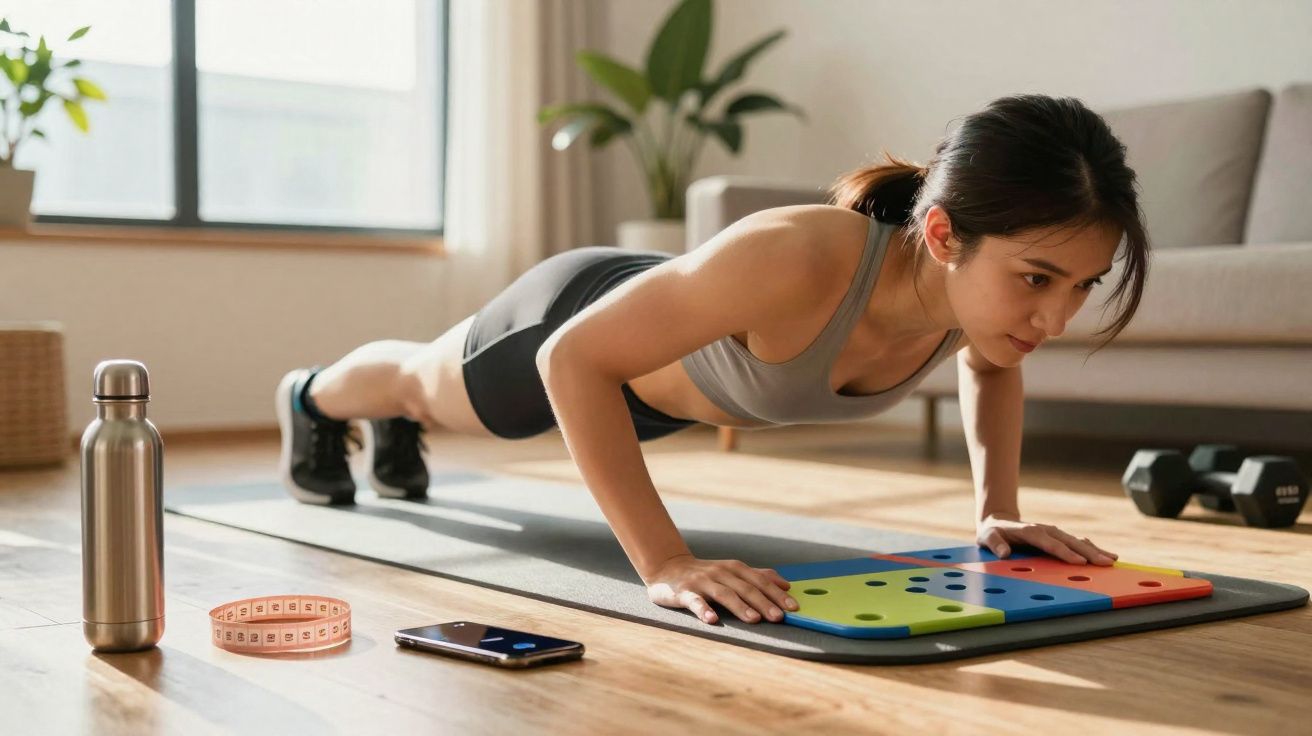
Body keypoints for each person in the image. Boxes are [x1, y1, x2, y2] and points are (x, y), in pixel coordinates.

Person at [275, 93, 1150, 627]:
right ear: (943, 234)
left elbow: (991, 368)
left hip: (663, 387)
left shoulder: (974, 304)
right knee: (418, 386)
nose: (1057, 316)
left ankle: (375, 416)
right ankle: (312, 398)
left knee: (421, 397)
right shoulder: (799, 257)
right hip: (573, 324)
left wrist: (996, 512)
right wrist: (663, 564)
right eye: (1039, 278)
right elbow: (574, 360)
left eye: (1082, 285)